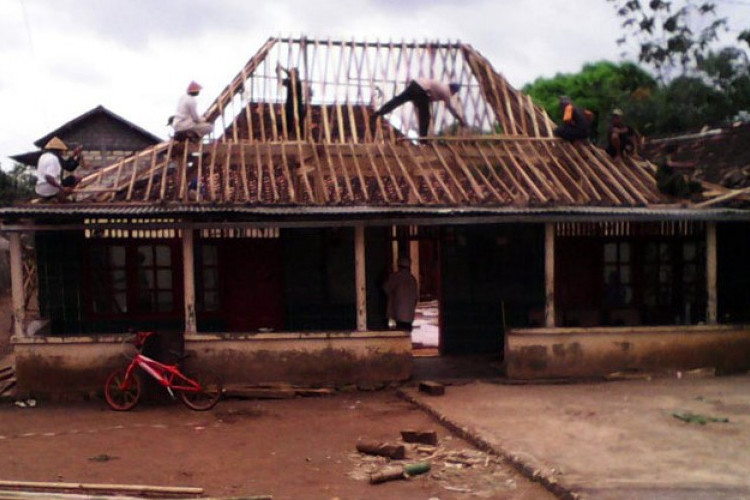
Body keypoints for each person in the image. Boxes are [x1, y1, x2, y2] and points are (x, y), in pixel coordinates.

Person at [372, 78, 466, 137]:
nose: (454, 94)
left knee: (398, 100)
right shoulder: (446, 92)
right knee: (425, 117)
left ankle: (379, 112)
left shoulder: (441, 86)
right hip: (421, 90)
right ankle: (423, 140)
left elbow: (429, 97)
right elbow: (450, 108)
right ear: (454, 90)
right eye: (455, 92)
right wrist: (460, 119)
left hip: (415, 84)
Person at [383, 256, 419, 332]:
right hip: (409, 314)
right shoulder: (412, 279)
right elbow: (416, 298)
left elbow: (386, 289)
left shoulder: (395, 277)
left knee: (399, 333)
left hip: (398, 313)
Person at [276, 64, 309, 138]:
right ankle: (289, 134)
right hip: (293, 106)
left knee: (294, 121)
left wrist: (281, 70)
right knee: (290, 121)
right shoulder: (295, 81)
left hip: (294, 106)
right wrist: (282, 69)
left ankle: (293, 134)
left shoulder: (295, 82)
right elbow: (286, 77)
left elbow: (282, 80)